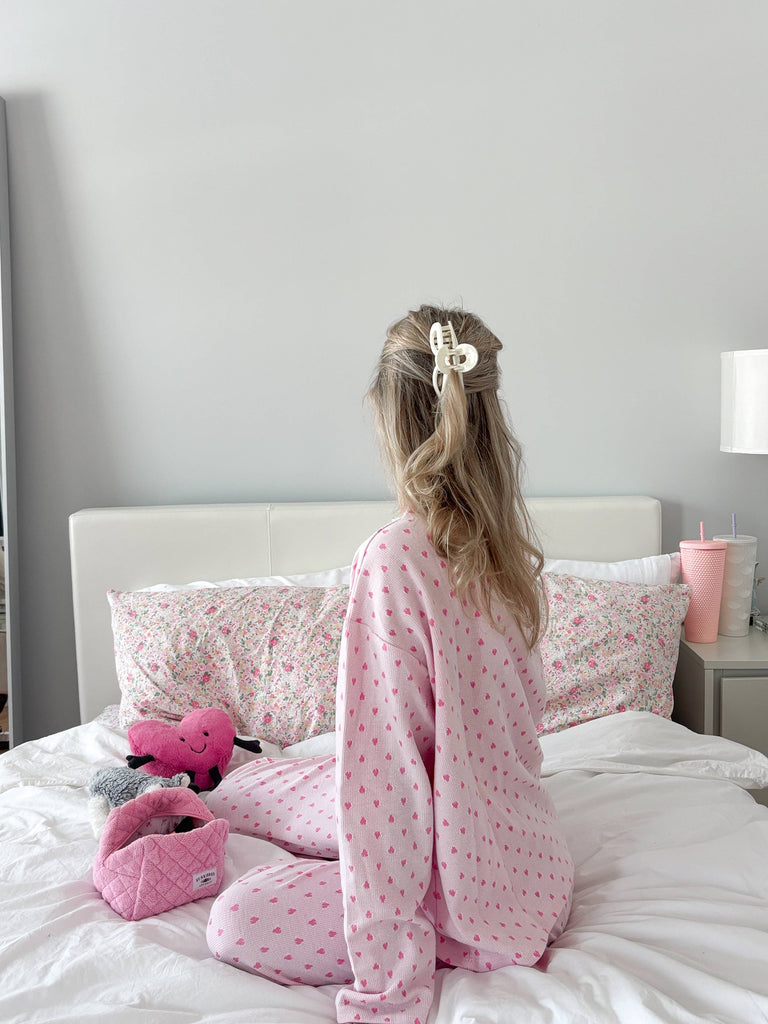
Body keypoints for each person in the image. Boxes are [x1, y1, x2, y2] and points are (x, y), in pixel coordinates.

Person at [206, 305, 574, 1024]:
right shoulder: (503, 552)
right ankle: (211, 793)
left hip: (468, 898)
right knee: (258, 787)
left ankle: (191, 802)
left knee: (237, 919)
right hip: (532, 866)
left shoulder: (394, 559)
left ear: (388, 417)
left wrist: (389, 993)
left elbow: (389, 788)